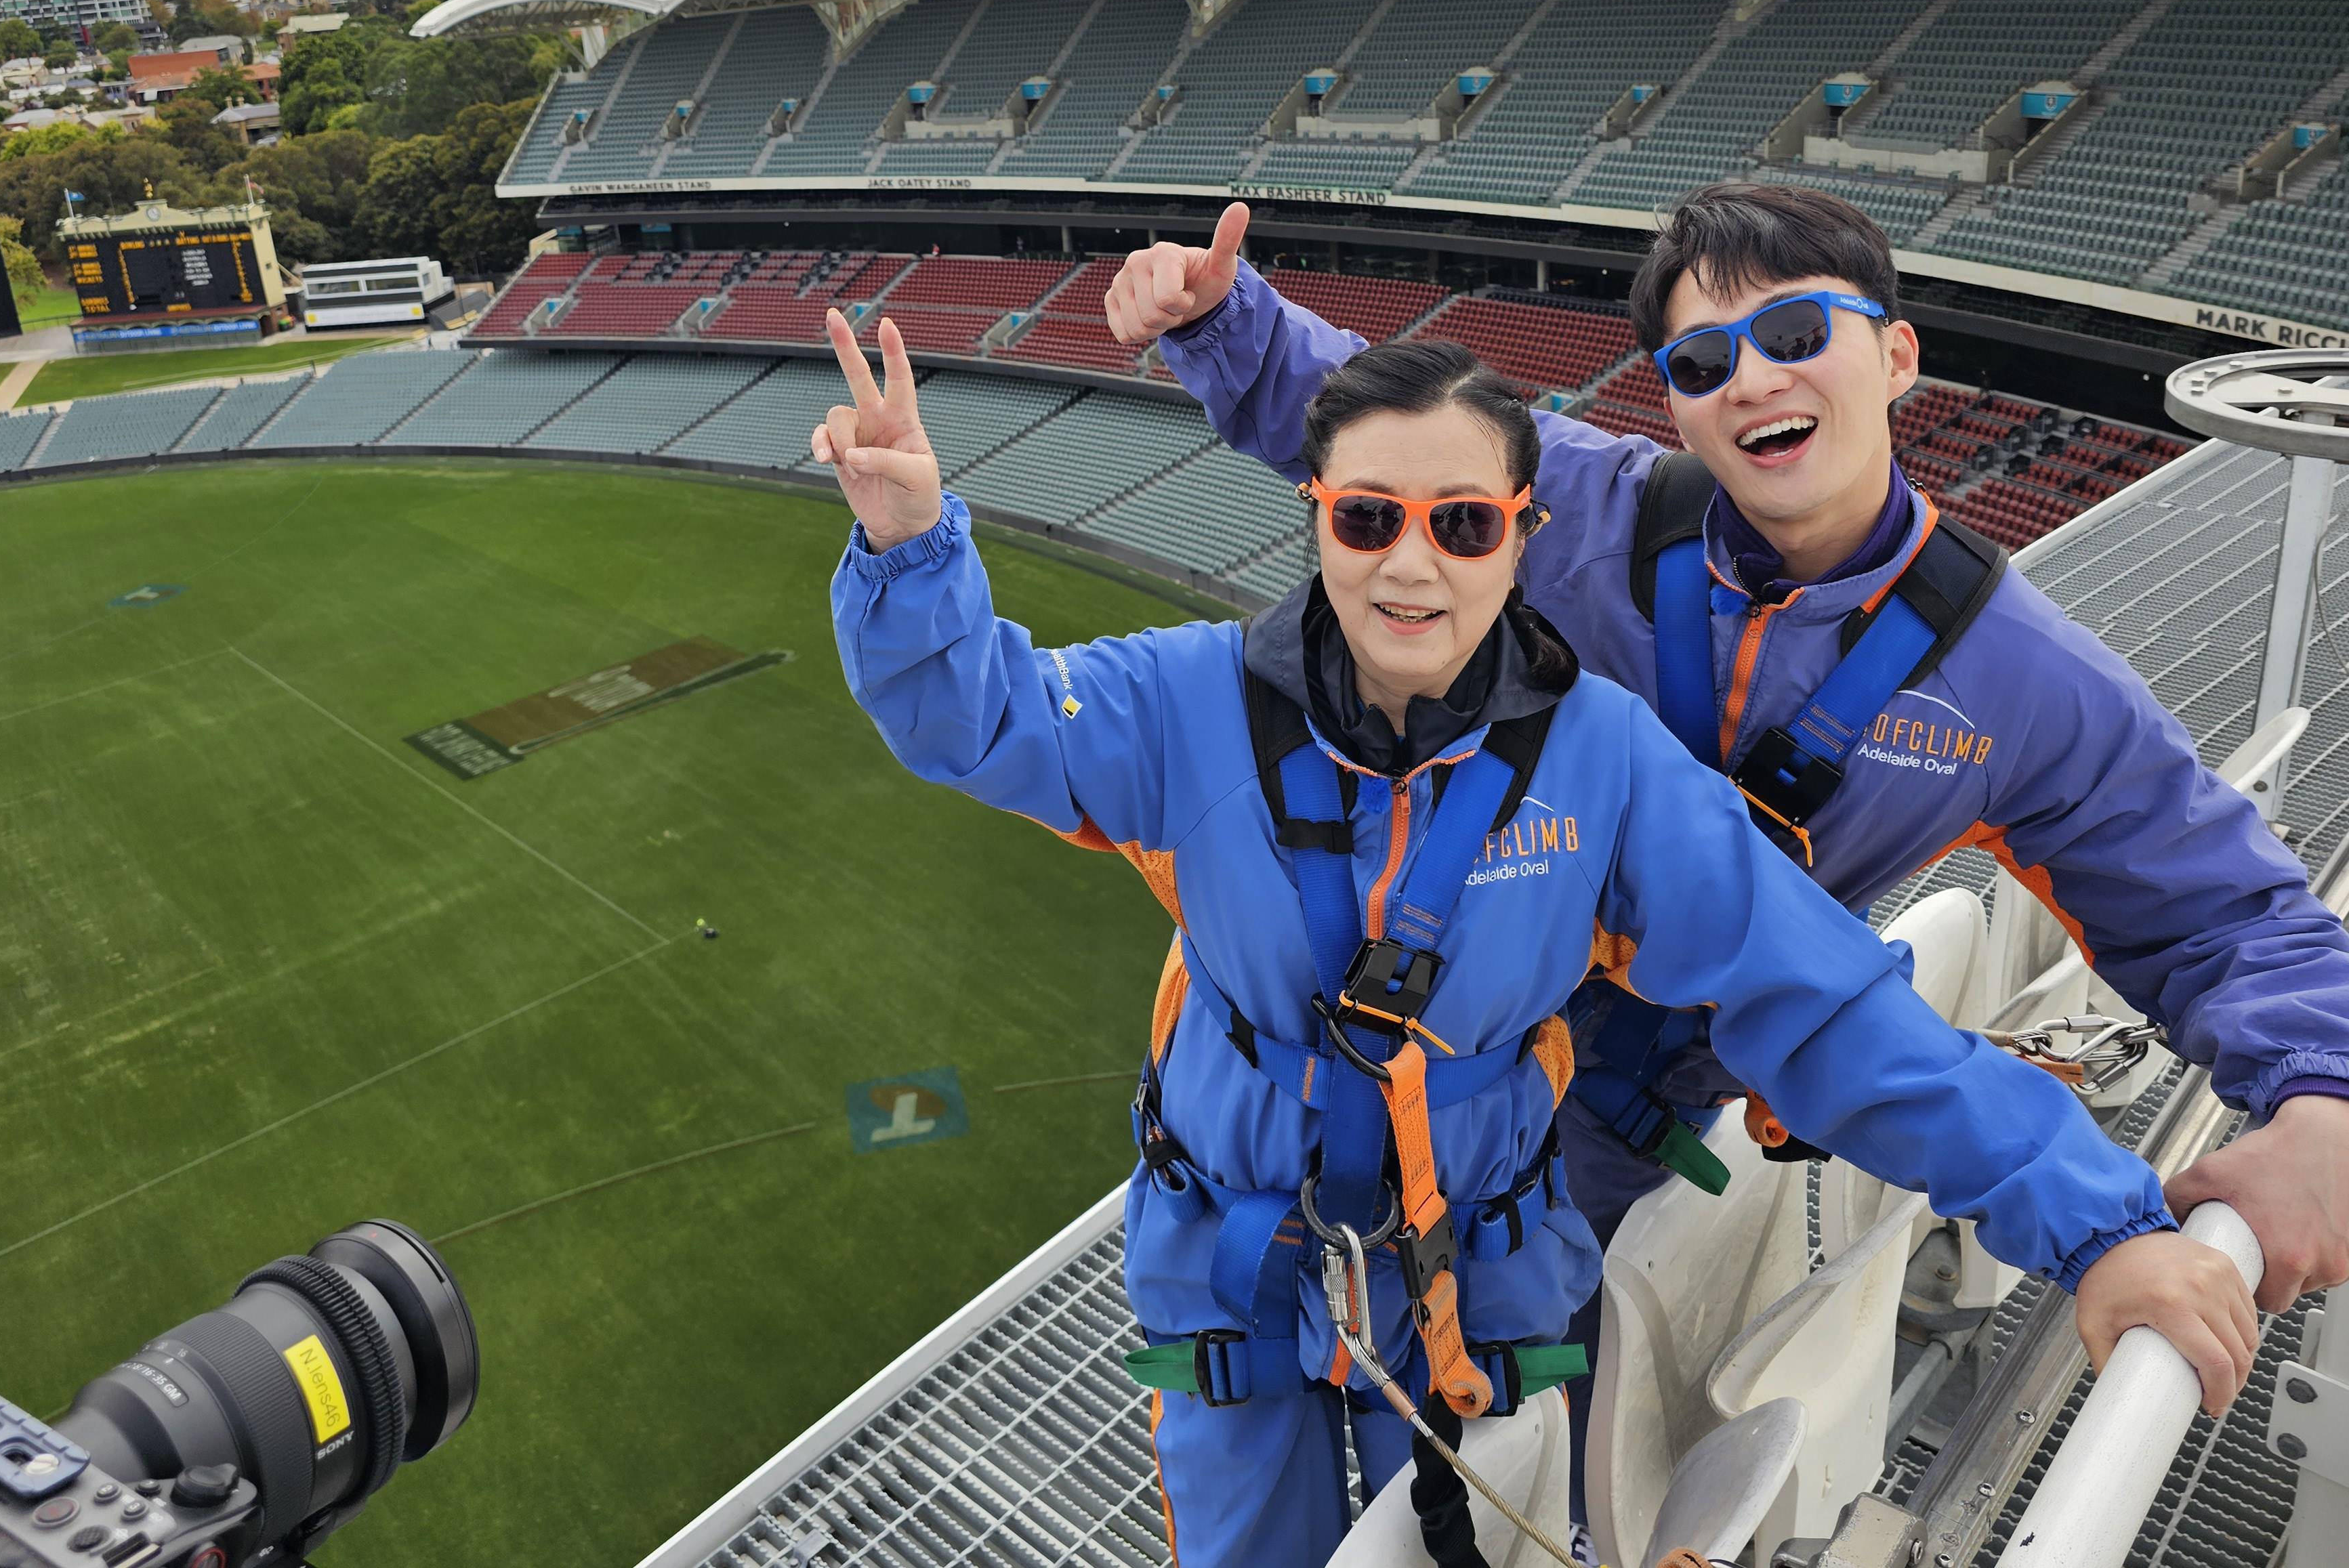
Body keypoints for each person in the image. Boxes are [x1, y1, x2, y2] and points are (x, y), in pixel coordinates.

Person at [812, 308, 2256, 1568]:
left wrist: (2098, 1228)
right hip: (1230, 1267)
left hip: (1474, 1280)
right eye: (1366, 519)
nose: (1410, 566)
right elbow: (977, 717)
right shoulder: (1186, 702)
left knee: (1472, 1540)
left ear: (1522, 535)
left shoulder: (1601, 765)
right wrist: (907, 544)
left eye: (1462, 524)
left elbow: (1824, 1004)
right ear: (1314, 516)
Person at [1113, 185, 2349, 1308]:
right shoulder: (1589, 508)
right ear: (1677, 405)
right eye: (1704, 361)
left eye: (1798, 333)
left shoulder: (2019, 679)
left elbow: (2213, 906)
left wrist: (2322, 1099)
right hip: (1390, 1039)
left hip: (1606, 1136)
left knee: (1505, 1412)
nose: (1753, 379)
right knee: (1267, 1350)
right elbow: (1377, 420)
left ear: (1898, 355)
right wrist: (1221, 320)